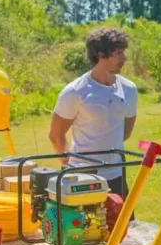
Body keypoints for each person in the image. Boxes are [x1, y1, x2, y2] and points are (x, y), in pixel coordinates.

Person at [49, 27, 138, 199]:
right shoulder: (75, 91)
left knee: (122, 217)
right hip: (82, 178)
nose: (124, 58)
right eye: (118, 53)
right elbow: (56, 135)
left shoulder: (129, 89)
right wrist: (71, 164)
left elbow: (125, 132)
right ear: (101, 55)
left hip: (117, 176)